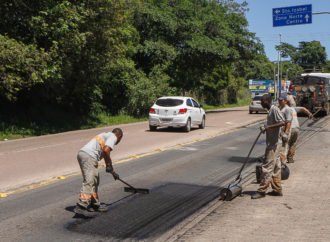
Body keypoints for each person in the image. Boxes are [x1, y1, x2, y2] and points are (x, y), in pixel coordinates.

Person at [75, 128, 123, 212]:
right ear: (119, 136)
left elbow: (105, 153)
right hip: (89, 156)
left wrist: (113, 172)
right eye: (120, 139)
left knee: (95, 180)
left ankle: (95, 204)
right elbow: (106, 150)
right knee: (89, 179)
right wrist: (108, 165)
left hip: (83, 154)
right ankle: (82, 203)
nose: (118, 141)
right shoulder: (113, 136)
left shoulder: (106, 135)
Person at [252, 94, 285, 199]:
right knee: (276, 167)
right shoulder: (270, 111)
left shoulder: (274, 109)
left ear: (267, 101)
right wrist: (266, 128)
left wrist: (268, 127)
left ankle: (261, 191)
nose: (261, 103)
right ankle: (277, 189)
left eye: (262, 101)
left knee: (267, 167)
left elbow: (282, 122)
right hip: (274, 143)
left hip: (274, 144)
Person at [278, 94, 293, 164]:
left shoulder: (287, 109)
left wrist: (286, 133)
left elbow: (288, 122)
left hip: (284, 133)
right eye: (279, 100)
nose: (280, 101)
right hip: (280, 133)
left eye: (281, 100)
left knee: (284, 150)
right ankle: (280, 164)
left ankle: (283, 165)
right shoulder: (281, 108)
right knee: (279, 150)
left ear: (285, 101)